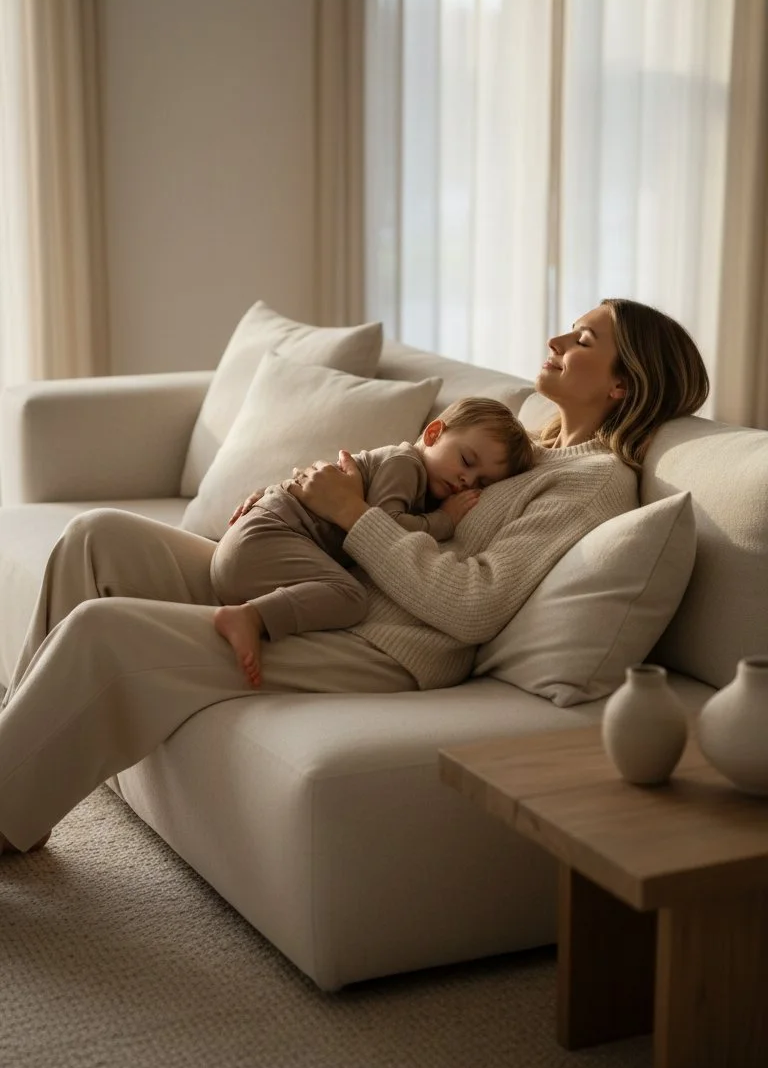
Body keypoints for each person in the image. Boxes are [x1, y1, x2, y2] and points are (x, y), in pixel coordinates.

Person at [0, 298, 709, 856]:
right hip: (327, 581)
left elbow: (474, 605)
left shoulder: (594, 482)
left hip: (380, 640)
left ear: (621, 384)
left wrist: (353, 514)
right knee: (96, 537)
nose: (555, 341)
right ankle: (15, 757)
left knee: (105, 631)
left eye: (582, 340)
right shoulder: (522, 442)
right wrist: (295, 503)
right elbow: (404, 473)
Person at [212, 398, 533, 686]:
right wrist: (444, 520)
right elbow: (384, 524)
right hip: (267, 538)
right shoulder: (405, 464)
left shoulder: (420, 481)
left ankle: (250, 614)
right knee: (350, 597)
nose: (467, 480)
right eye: (466, 461)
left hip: (249, 551)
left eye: (481, 482)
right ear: (434, 433)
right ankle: (252, 617)